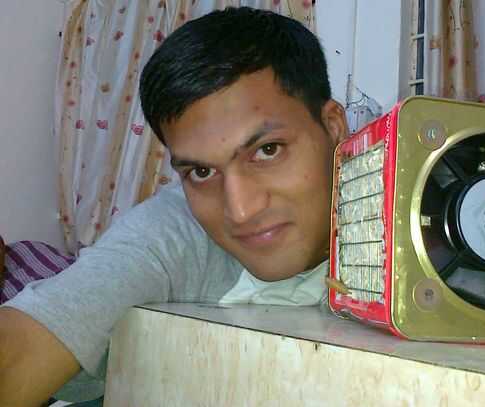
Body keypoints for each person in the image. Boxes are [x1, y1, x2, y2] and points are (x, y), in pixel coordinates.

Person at [0, 7, 347, 407]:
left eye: (267, 150)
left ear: (333, 126)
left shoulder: (403, 213)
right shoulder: (175, 232)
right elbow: (17, 353)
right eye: (201, 172)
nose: (241, 210)